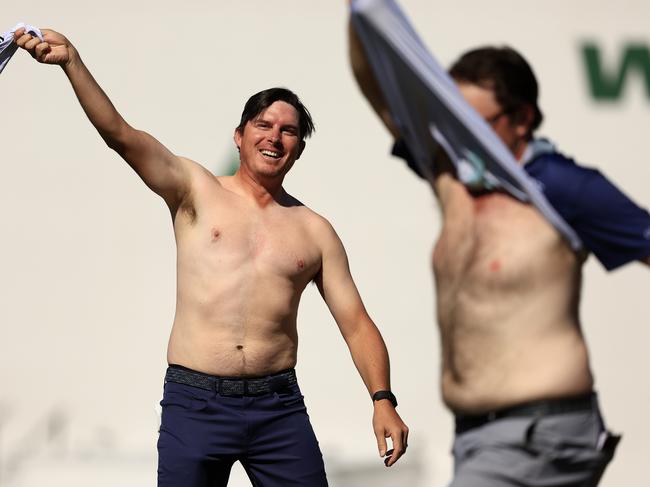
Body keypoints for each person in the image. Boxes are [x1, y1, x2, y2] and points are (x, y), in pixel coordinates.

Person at [14, 27, 409, 486]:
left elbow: (355, 321)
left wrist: (382, 398)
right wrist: (72, 63)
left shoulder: (314, 231)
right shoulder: (194, 189)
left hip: (277, 407)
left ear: (299, 149)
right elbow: (120, 135)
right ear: (239, 136)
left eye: (288, 131)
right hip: (195, 400)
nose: (274, 138)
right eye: (263, 125)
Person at [349, 17, 650, 487]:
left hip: (538, 436)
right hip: (479, 437)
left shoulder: (559, 188)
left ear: (522, 118)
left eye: (476, 124)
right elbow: (378, 90)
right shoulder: (454, 181)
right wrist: (360, 11)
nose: (462, 136)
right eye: (455, 122)